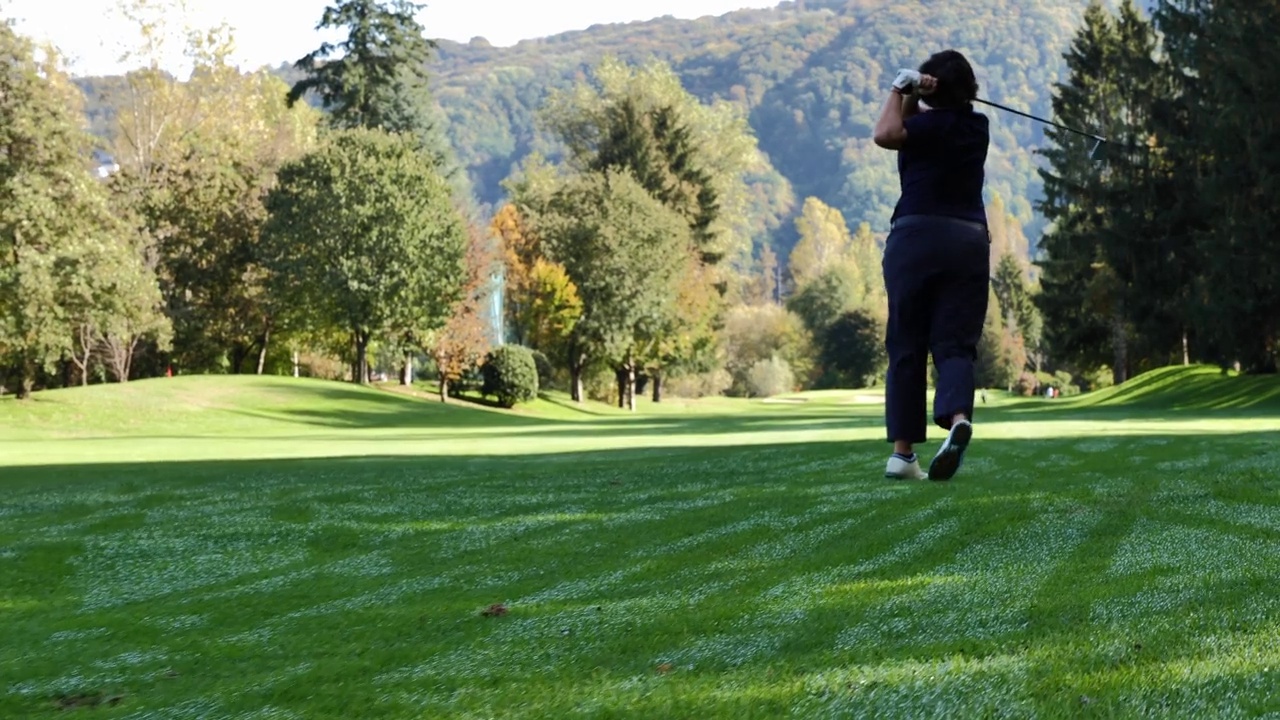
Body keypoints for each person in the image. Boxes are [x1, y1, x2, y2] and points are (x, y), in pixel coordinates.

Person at [872, 50, 990, 481]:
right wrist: (919, 93)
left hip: (915, 238)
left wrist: (899, 87)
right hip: (967, 242)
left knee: (906, 343)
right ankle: (958, 418)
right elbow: (916, 122)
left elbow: (886, 133)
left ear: (931, 85)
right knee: (955, 343)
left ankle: (902, 454)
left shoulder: (919, 127)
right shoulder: (977, 127)